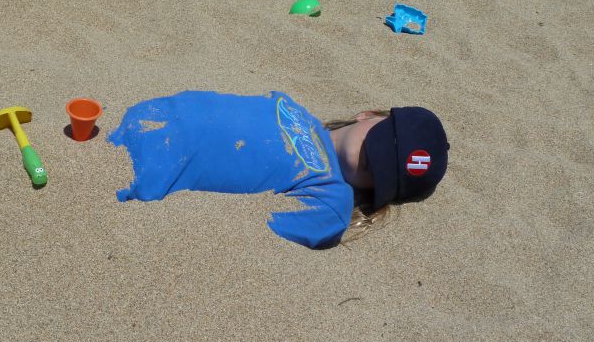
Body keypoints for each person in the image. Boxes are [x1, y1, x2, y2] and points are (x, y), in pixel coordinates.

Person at [109, 91, 449, 249]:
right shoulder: (300, 112)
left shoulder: (332, 197)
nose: (372, 161)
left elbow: (258, 237)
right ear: (368, 115)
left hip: (142, 177)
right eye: (380, 145)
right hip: (136, 121)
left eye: (382, 172)